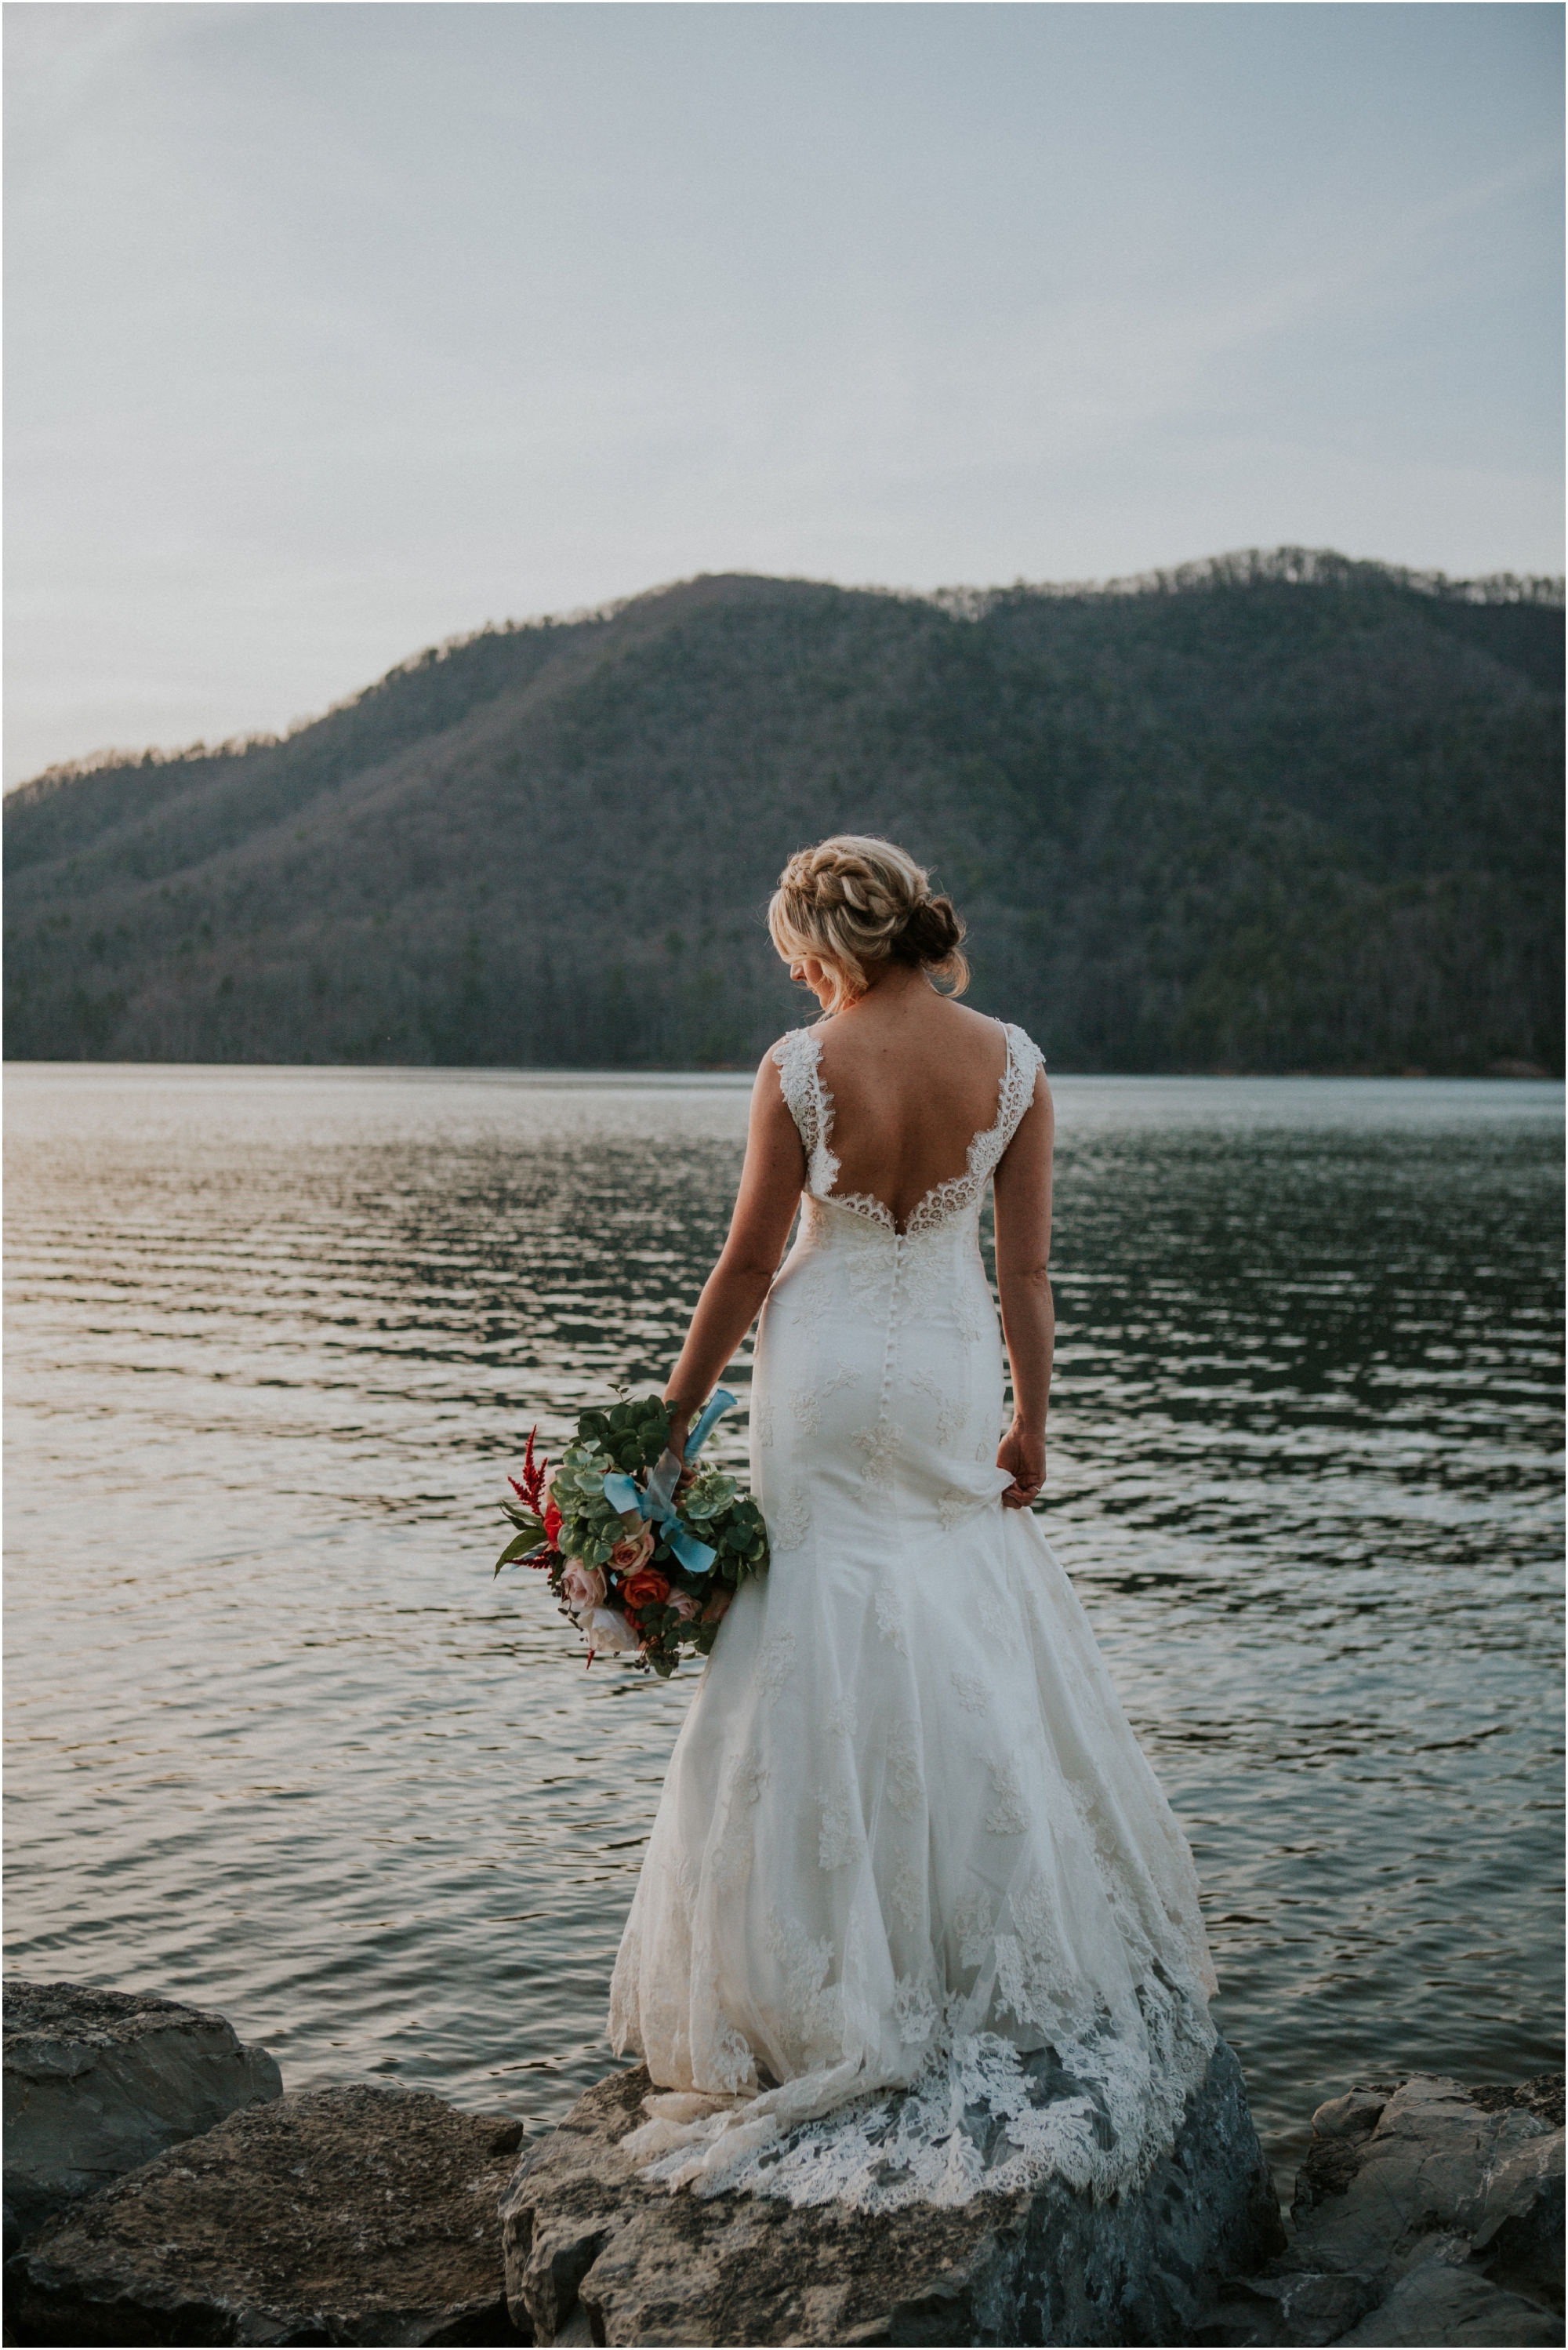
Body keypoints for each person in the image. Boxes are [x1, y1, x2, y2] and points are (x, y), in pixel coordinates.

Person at [608, 835, 1217, 2209]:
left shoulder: (799, 1067)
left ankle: (812, 1975)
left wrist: (668, 1422)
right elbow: (1028, 1269)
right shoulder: (1015, 1064)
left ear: (825, 949)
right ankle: (970, 1950)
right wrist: (1033, 1423)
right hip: (947, 1369)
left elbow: (753, 1258)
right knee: (957, 1613)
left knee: (806, 1625)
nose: (799, 982)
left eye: (797, 958)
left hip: (821, 1378)